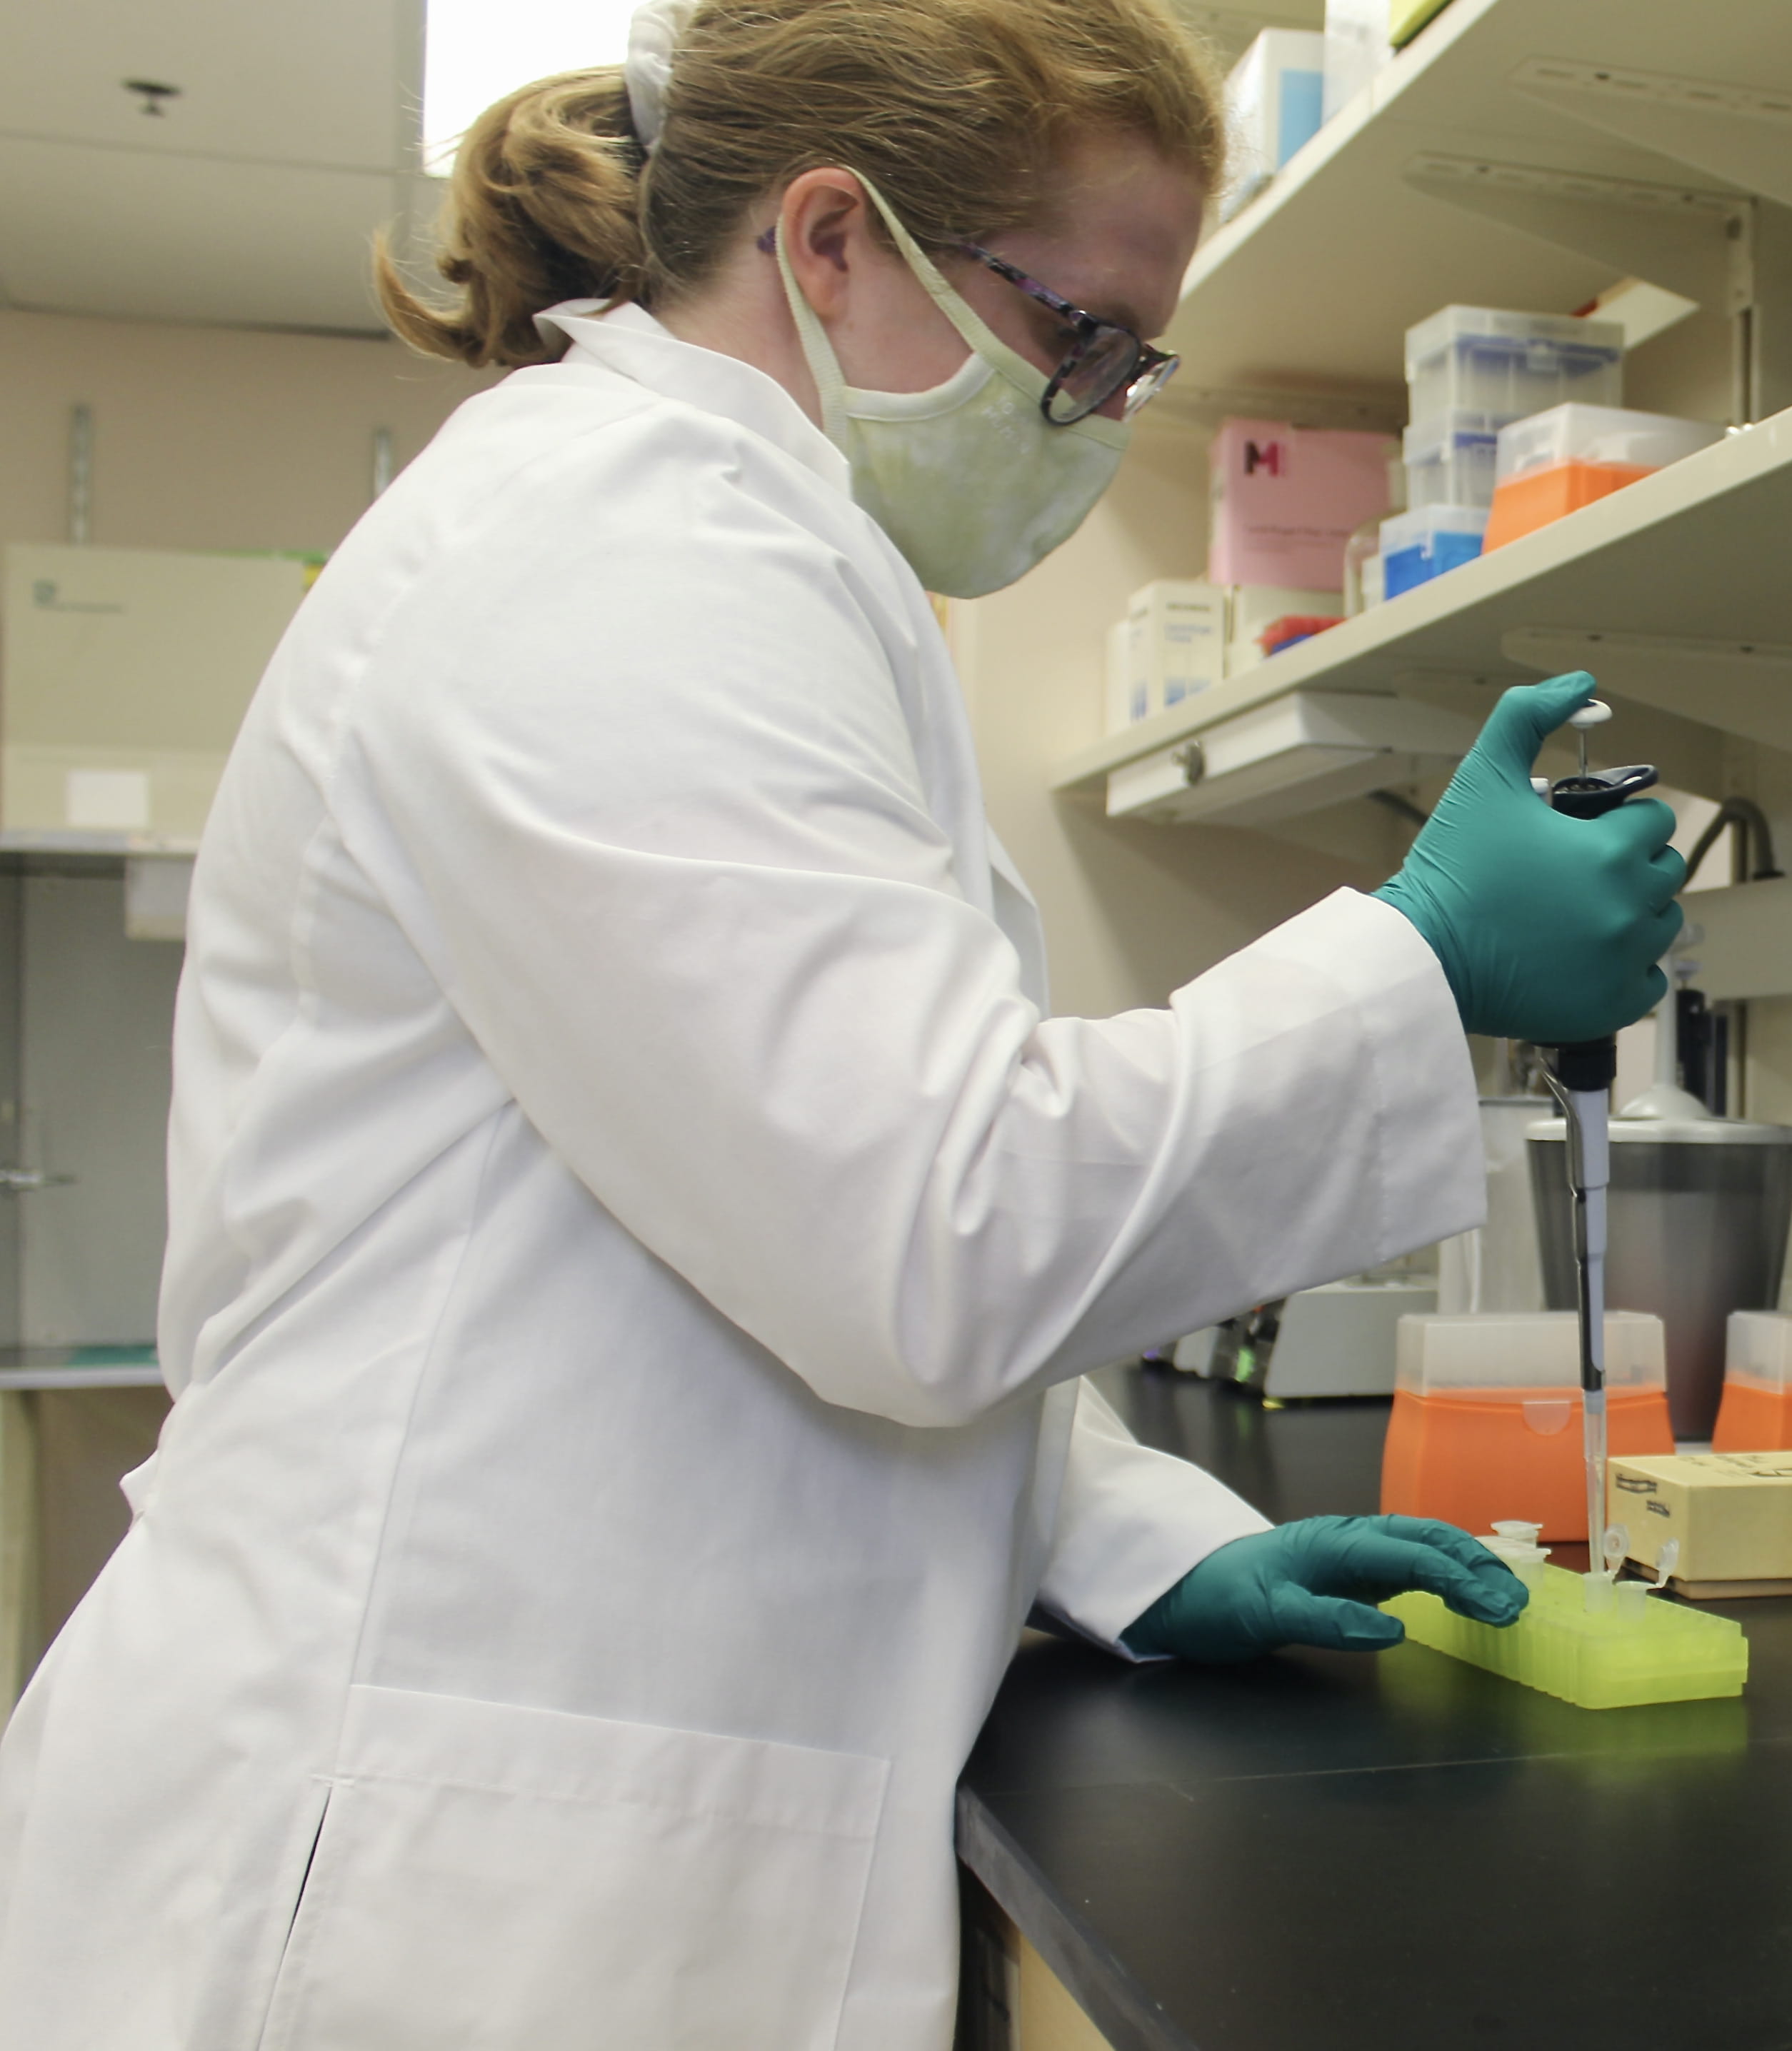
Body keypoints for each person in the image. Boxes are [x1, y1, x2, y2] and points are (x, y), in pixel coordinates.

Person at [0, 2, 1680, 2045]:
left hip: (558, 1815)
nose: (1094, 409)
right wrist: (1426, 950)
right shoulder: (618, 550)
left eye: (1129, 362)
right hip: (423, 1879)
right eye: (1078, 340)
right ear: (831, 241)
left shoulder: (740, 552)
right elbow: (931, 1221)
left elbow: (752, 1222)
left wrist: (1136, 1542)